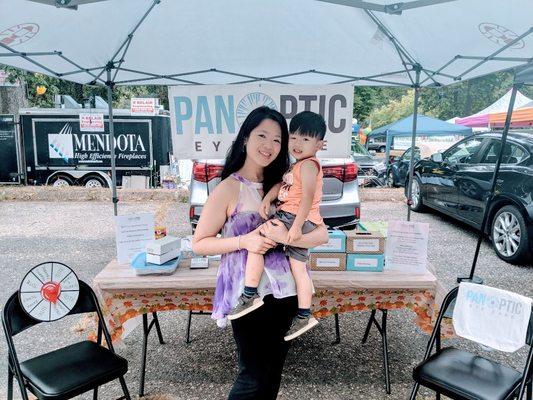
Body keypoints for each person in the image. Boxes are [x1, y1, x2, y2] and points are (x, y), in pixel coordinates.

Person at [192, 106, 328, 399]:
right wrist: (246, 242)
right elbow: (200, 243)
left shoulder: (286, 184)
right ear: (245, 138)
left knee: (272, 373)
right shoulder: (228, 188)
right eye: (262, 135)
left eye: (277, 139)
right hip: (249, 297)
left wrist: (289, 237)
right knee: (252, 376)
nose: (270, 145)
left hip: (286, 293)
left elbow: (321, 233)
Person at [227, 111, 326, 342]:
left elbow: (307, 198)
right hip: (298, 218)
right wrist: (267, 199)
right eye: (293, 138)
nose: (298, 144)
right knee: (299, 268)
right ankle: (304, 314)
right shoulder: (297, 166)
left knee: (257, 242)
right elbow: (283, 185)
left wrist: (296, 228)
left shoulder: (309, 166)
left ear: (319, 144)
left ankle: (249, 294)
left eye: (306, 139)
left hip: (294, 217)